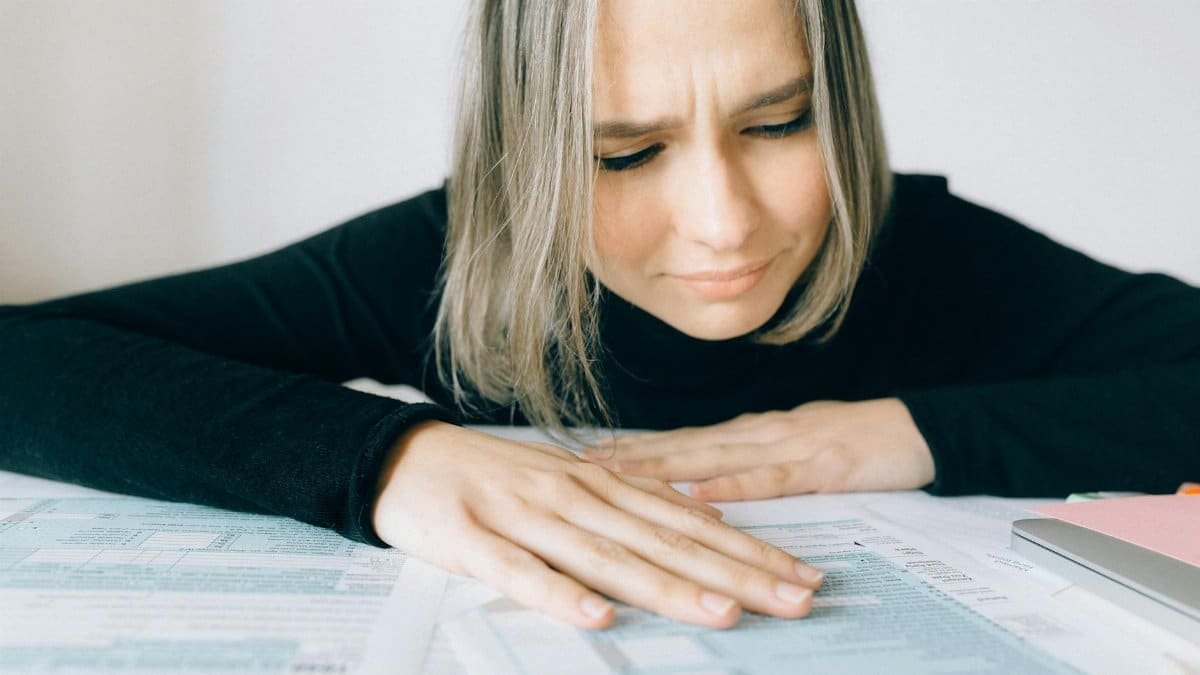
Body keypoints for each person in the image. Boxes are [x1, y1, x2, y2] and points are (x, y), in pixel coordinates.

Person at [2, 0, 1198, 632]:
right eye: (620, 152)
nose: (723, 225)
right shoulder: (447, 255)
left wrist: (905, 432)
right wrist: (383, 461)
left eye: (779, 125)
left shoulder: (929, 253)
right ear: (524, 153)